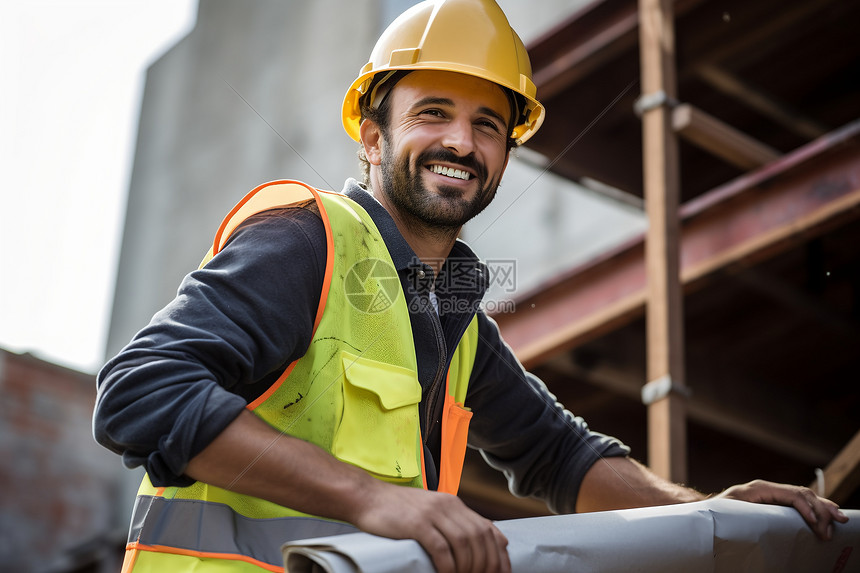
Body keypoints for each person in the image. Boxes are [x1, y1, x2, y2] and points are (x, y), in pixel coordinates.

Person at [93, 1, 848, 572]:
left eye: (488, 124)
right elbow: (138, 391)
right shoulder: (307, 240)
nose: (462, 141)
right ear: (372, 136)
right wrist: (373, 497)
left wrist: (711, 509)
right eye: (433, 113)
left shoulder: (449, 312)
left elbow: (560, 455)